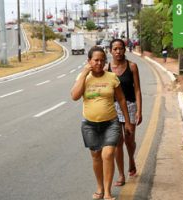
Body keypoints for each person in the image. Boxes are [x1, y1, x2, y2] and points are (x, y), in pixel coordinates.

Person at [71, 46, 133, 200]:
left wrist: (126, 122)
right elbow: (74, 96)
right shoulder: (83, 76)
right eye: (95, 60)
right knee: (96, 156)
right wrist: (85, 73)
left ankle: (107, 192)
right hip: (90, 125)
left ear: (105, 61)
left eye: (102, 60)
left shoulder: (111, 77)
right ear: (89, 61)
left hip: (111, 123)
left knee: (108, 154)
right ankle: (99, 187)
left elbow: (122, 99)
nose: (99, 63)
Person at [105, 39, 142, 187]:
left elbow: (137, 89)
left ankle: (131, 160)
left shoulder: (132, 66)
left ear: (125, 50)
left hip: (130, 106)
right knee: (117, 142)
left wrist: (140, 110)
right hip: (113, 108)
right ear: (110, 51)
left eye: (120, 48)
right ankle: (121, 175)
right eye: (115, 49)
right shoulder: (107, 68)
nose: (118, 51)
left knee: (129, 140)